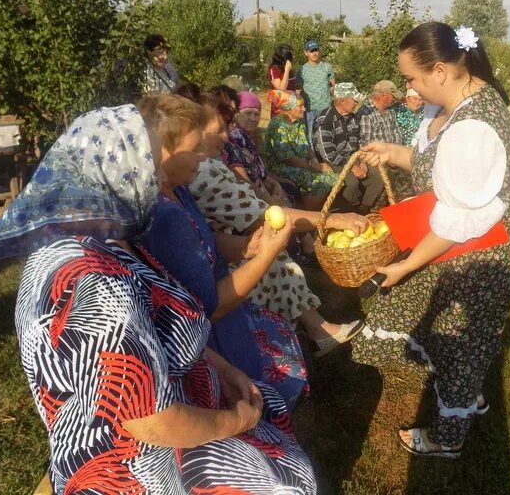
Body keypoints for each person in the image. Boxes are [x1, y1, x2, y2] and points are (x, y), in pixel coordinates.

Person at [0, 99, 316, 494]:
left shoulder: (104, 238)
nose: (157, 179)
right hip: (138, 466)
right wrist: (235, 423)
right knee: (288, 482)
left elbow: (152, 331)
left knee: (267, 404)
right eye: (148, 163)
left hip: (168, 415)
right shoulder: (92, 279)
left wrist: (221, 367)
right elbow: (153, 421)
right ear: (117, 170)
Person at [350, 22, 510, 458]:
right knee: (463, 339)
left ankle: (448, 439)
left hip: (480, 251)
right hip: (467, 242)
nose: (410, 87)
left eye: (412, 78)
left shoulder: (473, 128)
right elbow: (442, 168)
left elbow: (454, 221)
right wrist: (394, 153)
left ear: (442, 71)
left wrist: (407, 266)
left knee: (458, 340)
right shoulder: (465, 106)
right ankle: (470, 398)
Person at [138, 95, 308, 408]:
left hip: (227, 323)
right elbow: (211, 306)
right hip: (211, 339)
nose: (203, 158)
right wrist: (266, 255)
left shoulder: (177, 189)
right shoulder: (165, 218)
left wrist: (247, 246)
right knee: (252, 397)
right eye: (194, 150)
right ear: (159, 150)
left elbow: (207, 240)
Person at [190, 89, 367, 355]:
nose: (226, 135)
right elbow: (263, 214)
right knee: (273, 256)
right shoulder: (204, 171)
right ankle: (294, 337)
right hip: (215, 267)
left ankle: (309, 329)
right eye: (220, 128)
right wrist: (334, 219)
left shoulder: (209, 161)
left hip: (223, 243)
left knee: (272, 250)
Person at [314, 82, 385, 213]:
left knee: (377, 177)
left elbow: (357, 141)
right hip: (334, 160)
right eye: (354, 99)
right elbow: (327, 152)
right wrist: (352, 166)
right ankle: (342, 212)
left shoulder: (352, 117)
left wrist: (362, 160)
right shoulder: (325, 118)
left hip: (352, 157)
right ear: (342, 100)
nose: (356, 102)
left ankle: (364, 209)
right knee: (351, 183)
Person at [264, 90, 337, 208]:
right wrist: (314, 166)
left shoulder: (299, 121)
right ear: (289, 108)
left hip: (301, 164)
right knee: (321, 183)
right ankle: (307, 212)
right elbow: (288, 158)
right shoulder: (277, 125)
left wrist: (314, 159)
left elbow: (306, 144)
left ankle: (314, 209)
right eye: (300, 106)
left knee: (332, 177)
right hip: (282, 167)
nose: (304, 109)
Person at [221, 90, 295, 206]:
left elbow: (261, 173)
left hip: (264, 189)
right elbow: (246, 182)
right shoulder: (231, 140)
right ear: (236, 113)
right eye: (248, 113)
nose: (253, 118)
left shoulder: (246, 137)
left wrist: (276, 185)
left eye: (256, 114)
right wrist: (272, 202)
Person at [298, 39, 335, 144]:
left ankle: (323, 157)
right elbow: (298, 89)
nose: (314, 53)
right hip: (309, 110)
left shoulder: (327, 67)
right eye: (311, 51)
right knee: (309, 136)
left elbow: (333, 86)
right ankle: (312, 158)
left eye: (316, 50)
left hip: (325, 109)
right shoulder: (301, 70)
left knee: (326, 136)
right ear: (306, 52)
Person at [266, 44, 297, 116]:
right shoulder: (274, 69)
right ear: (285, 57)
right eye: (292, 55)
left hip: (292, 110)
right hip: (279, 112)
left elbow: (292, 85)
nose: (294, 57)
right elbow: (282, 88)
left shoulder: (289, 69)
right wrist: (286, 71)